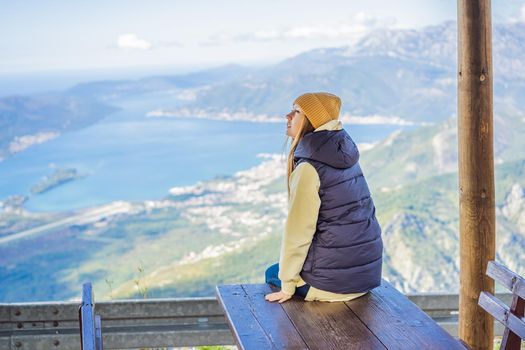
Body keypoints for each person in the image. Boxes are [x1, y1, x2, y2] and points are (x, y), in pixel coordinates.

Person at [264, 92, 383, 303]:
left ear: (312, 120)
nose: (288, 116)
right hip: (364, 279)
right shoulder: (344, 156)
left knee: (273, 273)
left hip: (332, 286)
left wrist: (288, 286)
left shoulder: (309, 167)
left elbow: (298, 232)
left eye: (297, 111)